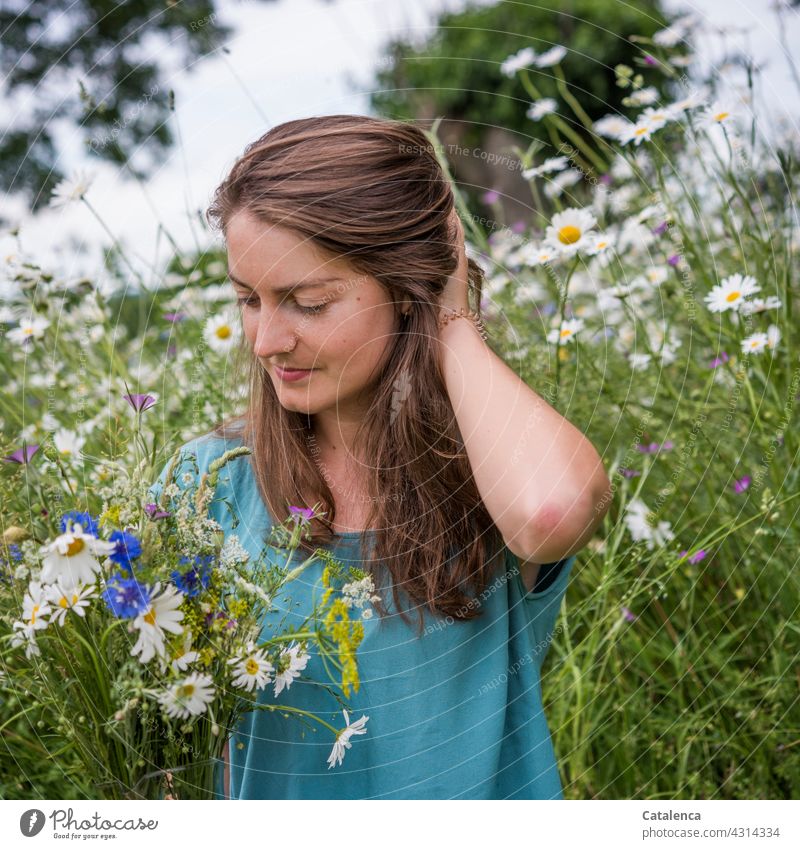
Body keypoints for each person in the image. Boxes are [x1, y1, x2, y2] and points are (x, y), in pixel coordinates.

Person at [150, 114, 611, 799]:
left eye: (307, 302)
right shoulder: (207, 483)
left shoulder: (488, 468)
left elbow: (551, 512)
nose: (266, 340)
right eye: (248, 299)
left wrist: (450, 314)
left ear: (405, 284)